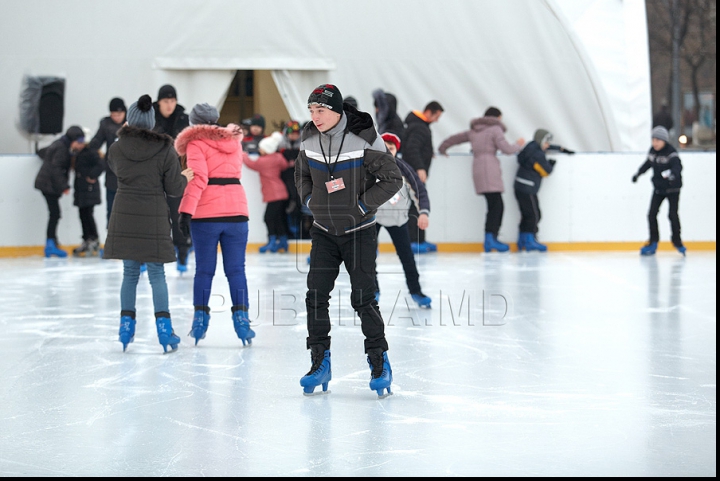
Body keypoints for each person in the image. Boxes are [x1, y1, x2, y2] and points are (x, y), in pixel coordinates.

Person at [295, 84, 403, 398]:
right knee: (315, 297)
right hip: (324, 231)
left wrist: (361, 205)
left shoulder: (364, 138)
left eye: (322, 110)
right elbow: (301, 174)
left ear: (338, 110)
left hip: (360, 232)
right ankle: (320, 362)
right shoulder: (309, 137)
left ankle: (379, 362)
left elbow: (392, 179)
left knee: (363, 299)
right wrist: (311, 199)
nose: (316, 117)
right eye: (312, 111)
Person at [103, 94, 192, 353]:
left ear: (130, 120)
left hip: (124, 214)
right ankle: (165, 331)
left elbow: (116, 170)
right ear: (152, 121)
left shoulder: (116, 148)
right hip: (153, 216)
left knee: (130, 273)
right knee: (157, 274)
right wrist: (184, 176)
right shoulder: (164, 148)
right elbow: (174, 189)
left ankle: (125, 327)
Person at [175, 103, 256, 346]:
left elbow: (199, 178)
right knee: (236, 270)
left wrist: (185, 211)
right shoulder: (234, 141)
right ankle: (242, 322)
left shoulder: (195, 143)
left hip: (206, 215)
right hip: (237, 210)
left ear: (194, 124)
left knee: (204, 270)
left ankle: (199, 322)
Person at [438, 107, 525, 252]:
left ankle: (491, 238)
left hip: (478, 168)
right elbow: (507, 149)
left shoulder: (475, 130)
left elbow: (456, 138)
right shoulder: (495, 129)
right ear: (497, 118)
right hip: (489, 168)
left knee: (494, 205)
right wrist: (518, 144)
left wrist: (443, 148)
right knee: (496, 206)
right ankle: (491, 239)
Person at [376, 133, 432, 308]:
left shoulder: (404, 169)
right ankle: (372, 291)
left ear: (396, 151)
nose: (386, 151)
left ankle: (416, 291)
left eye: (390, 148)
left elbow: (420, 191)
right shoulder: (368, 167)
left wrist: (423, 213)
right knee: (367, 257)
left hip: (398, 219)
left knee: (407, 257)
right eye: (383, 147)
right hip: (372, 218)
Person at [152, 84, 192, 272]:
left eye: (172, 101)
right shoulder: (150, 118)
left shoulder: (183, 118)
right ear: (159, 102)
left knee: (178, 212)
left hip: (177, 172)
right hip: (154, 173)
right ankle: (148, 255)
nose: (169, 105)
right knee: (154, 214)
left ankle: (183, 251)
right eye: (166, 101)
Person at [34, 125, 87, 258]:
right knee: (55, 214)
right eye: (79, 142)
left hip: (48, 185)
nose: (80, 145)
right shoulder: (62, 149)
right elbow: (56, 168)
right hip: (48, 186)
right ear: (73, 140)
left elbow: (43, 152)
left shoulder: (60, 144)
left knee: (55, 214)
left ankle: (52, 242)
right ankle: (50, 244)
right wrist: (64, 186)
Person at [632, 126, 685, 256]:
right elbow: (647, 164)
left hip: (673, 188)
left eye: (658, 140)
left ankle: (677, 241)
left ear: (664, 141)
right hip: (659, 189)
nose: (655, 143)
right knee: (651, 214)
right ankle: (653, 242)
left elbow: (678, 166)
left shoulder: (670, 152)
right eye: (653, 139)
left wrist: (673, 174)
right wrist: (638, 173)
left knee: (672, 215)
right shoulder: (653, 152)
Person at [401, 101, 444, 253]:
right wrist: (420, 167)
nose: (437, 120)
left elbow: (415, 147)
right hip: (413, 172)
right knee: (415, 205)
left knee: (418, 204)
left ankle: (420, 239)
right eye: (437, 116)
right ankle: (415, 241)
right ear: (429, 112)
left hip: (413, 171)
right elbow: (411, 148)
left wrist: (428, 153)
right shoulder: (419, 127)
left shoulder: (419, 125)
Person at [244, 131, 292, 253]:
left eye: (261, 148)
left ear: (266, 149)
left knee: (268, 218)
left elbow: (250, 164)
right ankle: (283, 241)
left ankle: (271, 241)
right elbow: (285, 165)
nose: (259, 150)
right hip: (281, 191)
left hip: (273, 194)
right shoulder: (278, 157)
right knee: (279, 218)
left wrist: (242, 154)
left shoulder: (262, 161)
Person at [513, 129, 556, 252]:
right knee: (534, 215)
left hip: (520, 186)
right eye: (547, 143)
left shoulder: (530, 147)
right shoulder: (538, 154)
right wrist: (552, 164)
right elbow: (546, 171)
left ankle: (522, 240)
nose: (548, 146)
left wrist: (561, 148)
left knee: (527, 215)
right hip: (528, 187)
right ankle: (530, 241)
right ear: (541, 141)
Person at [88, 97, 126, 222]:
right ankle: (111, 236)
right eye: (114, 115)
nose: (117, 117)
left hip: (130, 173)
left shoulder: (132, 123)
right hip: (112, 173)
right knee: (112, 208)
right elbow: (96, 142)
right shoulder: (106, 125)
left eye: (119, 114)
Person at [72, 136, 104, 257]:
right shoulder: (78, 153)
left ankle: (93, 239)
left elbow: (101, 164)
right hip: (81, 189)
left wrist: (92, 176)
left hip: (89, 190)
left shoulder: (91, 152)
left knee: (88, 214)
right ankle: (87, 239)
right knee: (83, 214)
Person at [279, 120, 303, 239]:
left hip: (299, 180)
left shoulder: (303, 147)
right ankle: (287, 230)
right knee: (286, 203)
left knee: (298, 203)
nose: (293, 135)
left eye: (296, 133)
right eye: (291, 133)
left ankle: (298, 229)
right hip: (284, 180)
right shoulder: (281, 147)